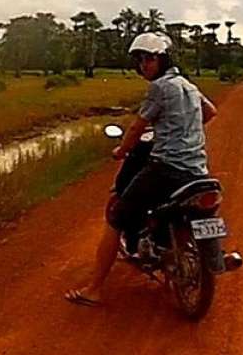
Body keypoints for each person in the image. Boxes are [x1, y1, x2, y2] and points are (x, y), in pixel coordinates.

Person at [65, 32, 217, 307]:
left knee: (118, 215)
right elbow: (210, 113)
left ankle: (94, 289)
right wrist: (179, 131)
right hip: (197, 170)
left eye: (149, 59)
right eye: (140, 60)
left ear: (163, 59)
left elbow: (136, 126)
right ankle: (164, 245)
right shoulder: (188, 85)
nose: (144, 65)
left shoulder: (160, 88)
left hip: (166, 169)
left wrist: (121, 151)